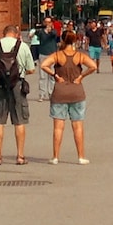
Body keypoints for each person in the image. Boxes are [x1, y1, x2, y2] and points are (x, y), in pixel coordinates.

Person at [42, 28, 94, 164]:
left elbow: (44, 65)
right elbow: (93, 66)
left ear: (62, 40)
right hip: (77, 92)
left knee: (58, 127)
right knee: (78, 126)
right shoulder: (79, 56)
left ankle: (55, 157)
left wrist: (55, 75)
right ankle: (81, 156)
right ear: (75, 40)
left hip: (60, 92)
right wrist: (81, 76)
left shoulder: (58, 55)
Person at [0, 27, 34, 164]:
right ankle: (20, 156)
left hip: (0, 85)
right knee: (19, 120)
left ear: (3, 33)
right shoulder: (23, 46)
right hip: (17, 85)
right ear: (17, 34)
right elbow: (31, 69)